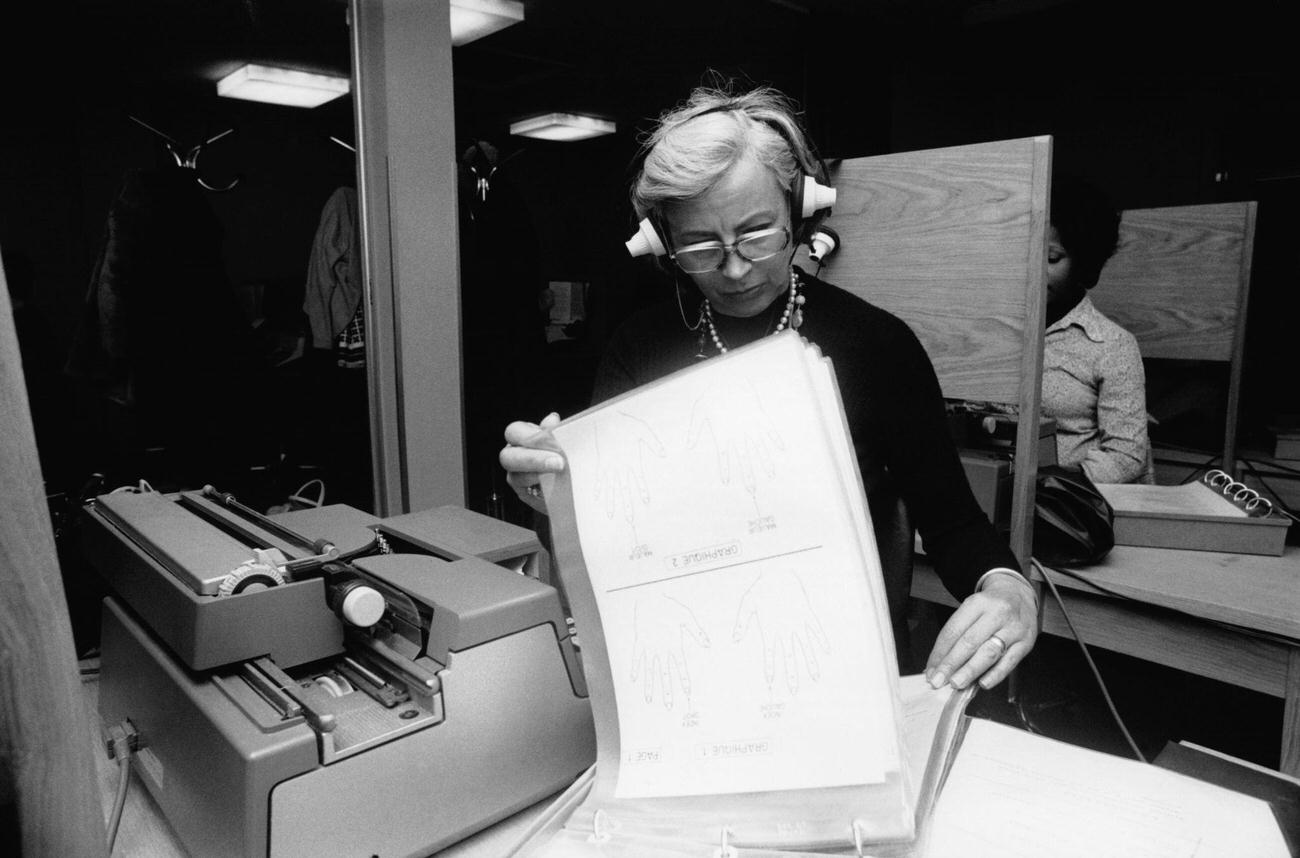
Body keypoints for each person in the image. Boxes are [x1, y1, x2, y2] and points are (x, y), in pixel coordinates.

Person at [499, 84, 1037, 692]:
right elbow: (617, 538)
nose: (733, 268)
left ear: (801, 210)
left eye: (758, 234)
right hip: (689, 672)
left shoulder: (877, 345)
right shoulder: (638, 347)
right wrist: (558, 496)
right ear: (662, 243)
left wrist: (1007, 589)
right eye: (700, 246)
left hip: (833, 671)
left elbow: (954, 523)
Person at [1044, 174, 1153, 484]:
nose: (1036, 269)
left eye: (1052, 258)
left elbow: (1127, 455)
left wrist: (1055, 481)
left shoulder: (1113, 345)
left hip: (1066, 500)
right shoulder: (1000, 328)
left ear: (1084, 263)